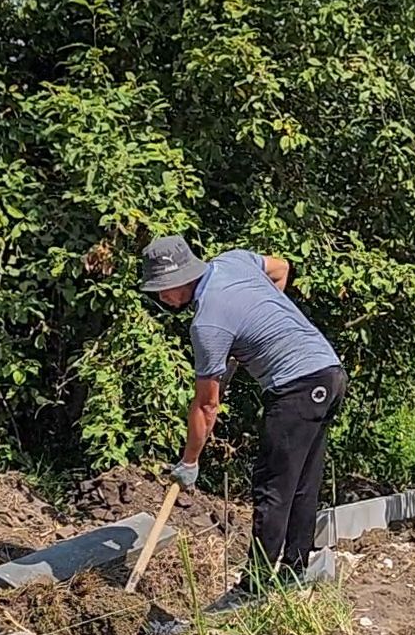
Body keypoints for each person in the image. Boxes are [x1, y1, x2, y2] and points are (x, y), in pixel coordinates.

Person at [139, 236, 347, 585]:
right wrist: (263, 321)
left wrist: (189, 461)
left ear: (180, 282)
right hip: (329, 372)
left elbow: (206, 405)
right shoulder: (233, 261)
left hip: (295, 385)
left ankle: (256, 583)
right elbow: (281, 267)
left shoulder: (207, 324)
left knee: (273, 487)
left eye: (163, 289)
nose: (162, 298)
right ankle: (294, 572)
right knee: (301, 482)